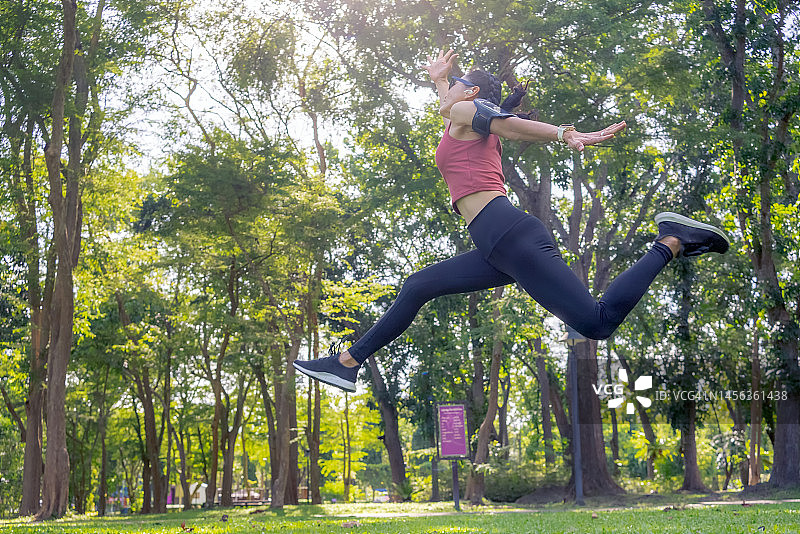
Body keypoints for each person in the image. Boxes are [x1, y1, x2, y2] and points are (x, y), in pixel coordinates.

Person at [294, 49, 729, 392]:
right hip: (495, 246)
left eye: (455, 86)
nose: (445, 95)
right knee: (418, 286)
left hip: (507, 235)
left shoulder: (467, 114)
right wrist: (441, 79)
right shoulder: (462, 120)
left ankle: (670, 241)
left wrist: (564, 133)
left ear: (469, 94)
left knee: (598, 322)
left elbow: (506, 124)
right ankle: (347, 363)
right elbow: (458, 107)